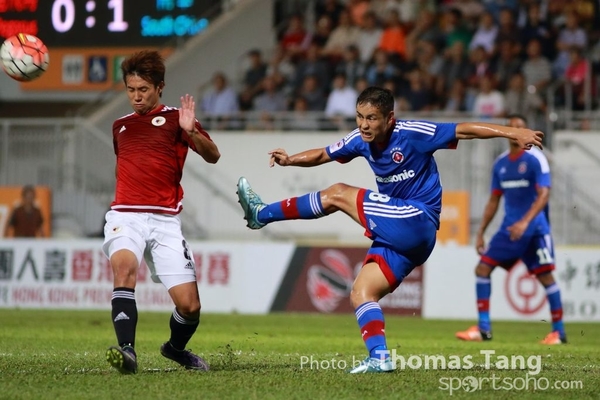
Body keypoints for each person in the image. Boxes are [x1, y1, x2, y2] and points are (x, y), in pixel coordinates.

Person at [235, 87, 543, 373]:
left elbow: (463, 129)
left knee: (338, 194)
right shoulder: (360, 139)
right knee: (361, 293)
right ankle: (379, 357)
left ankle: (262, 214)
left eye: (371, 118)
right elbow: (324, 153)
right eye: (360, 116)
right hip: (404, 236)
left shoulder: (412, 133)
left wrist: (513, 132)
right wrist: (290, 160)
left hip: (418, 219)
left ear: (389, 118)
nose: (364, 124)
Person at [103, 50, 221, 374]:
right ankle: (127, 351)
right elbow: (122, 166)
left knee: (190, 306)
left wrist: (191, 131)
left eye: (143, 89)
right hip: (125, 215)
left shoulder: (176, 120)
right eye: (131, 90)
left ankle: (175, 349)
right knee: (124, 269)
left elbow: (213, 156)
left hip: (165, 220)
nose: (136, 96)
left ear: (159, 87)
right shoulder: (120, 126)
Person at [456, 114, 566, 345]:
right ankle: (484, 329)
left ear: (527, 131)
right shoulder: (501, 164)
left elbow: (544, 194)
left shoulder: (536, 159)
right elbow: (494, 200)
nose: (516, 131)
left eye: (520, 127)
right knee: (483, 269)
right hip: (510, 229)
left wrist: (525, 222)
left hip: (533, 229)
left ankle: (558, 333)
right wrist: (481, 231)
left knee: (544, 277)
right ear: (507, 131)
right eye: (512, 127)